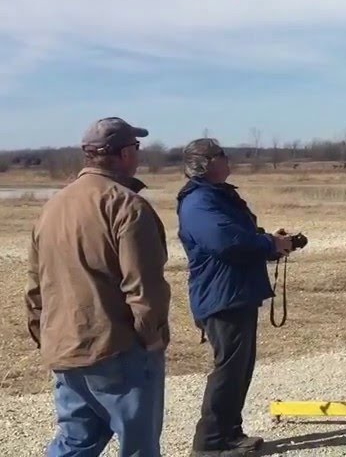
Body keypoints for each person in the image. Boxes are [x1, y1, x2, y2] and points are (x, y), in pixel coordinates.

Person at [25, 117, 171, 457]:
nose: (138, 154)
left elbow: (36, 285)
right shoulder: (126, 205)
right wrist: (152, 340)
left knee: (77, 441)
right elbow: (144, 288)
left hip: (65, 347)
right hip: (118, 350)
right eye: (135, 147)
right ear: (123, 155)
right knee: (139, 447)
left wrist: (44, 334)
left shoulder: (51, 207)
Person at [176, 138, 297, 456]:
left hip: (235, 292)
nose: (228, 160)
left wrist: (272, 243)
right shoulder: (199, 201)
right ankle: (210, 444)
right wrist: (269, 245)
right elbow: (225, 242)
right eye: (222, 155)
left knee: (240, 368)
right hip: (221, 296)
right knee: (228, 370)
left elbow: (239, 238)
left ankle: (230, 433)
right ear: (206, 163)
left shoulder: (219, 197)